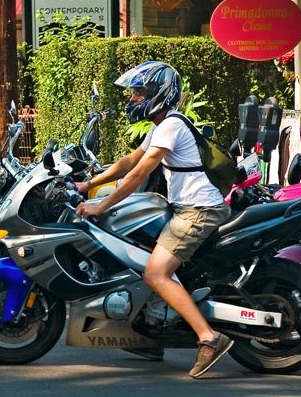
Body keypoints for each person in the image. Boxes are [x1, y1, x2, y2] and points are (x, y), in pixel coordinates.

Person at [74, 60, 234, 379]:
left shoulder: (171, 126)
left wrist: (101, 205)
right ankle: (151, 332)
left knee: (156, 274)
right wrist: (88, 183)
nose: (133, 100)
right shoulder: (162, 126)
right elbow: (129, 161)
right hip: (184, 207)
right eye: (133, 94)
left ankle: (209, 338)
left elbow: (139, 173)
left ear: (159, 93)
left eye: (138, 93)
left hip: (198, 210)